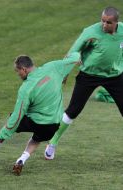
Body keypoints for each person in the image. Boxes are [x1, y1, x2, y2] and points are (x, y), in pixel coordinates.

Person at [0, 53, 81, 175]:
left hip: (34, 121)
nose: (18, 75)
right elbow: (76, 57)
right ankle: (21, 160)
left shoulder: (26, 88)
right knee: (36, 139)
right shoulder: (53, 67)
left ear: (23, 69)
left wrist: (1, 133)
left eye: (17, 71)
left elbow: (17, 116)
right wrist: (70, 64)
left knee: (13, 119)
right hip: (54, 124)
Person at [45, 6, 123, 160]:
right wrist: (64, 71)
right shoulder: (91, 32)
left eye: (108, 22)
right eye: (102, 21)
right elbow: (73, 51)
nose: (104, 25)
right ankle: (53, 141)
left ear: (116, 23)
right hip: (89, 75)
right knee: (74, 110)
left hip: (115, 76)